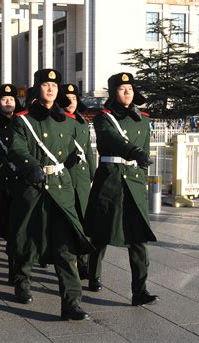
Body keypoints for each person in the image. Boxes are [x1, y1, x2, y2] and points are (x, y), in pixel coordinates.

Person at [7, 69, 94, 320]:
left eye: (54, 86)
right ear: (37, 89)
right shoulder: (22, 120)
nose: (51, 89)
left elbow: (69, 151)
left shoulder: (67, 121)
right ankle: (22, 282)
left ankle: (72, 303)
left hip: (60, 187)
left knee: (66, 247)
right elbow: (16, 147)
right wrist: (31, 165)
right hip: (33, 187)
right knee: (27, 240)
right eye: (46, 85)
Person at [84, 72, 159, 306]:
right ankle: (93, 275)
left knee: (139, 239)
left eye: (130, 88)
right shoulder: (103, 117)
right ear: (114, 92)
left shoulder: (143, 118)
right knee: (101, 234)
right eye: (121, 88)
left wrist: (142, 178)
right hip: (112, 180)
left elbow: (144, 148)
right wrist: (133, 152)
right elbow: (113, 139)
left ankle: (140, 290)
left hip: (134, 182)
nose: (127, 92)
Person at [0, 83, 24, 284]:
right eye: (4, 99)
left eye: (12, 99)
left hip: (18, 182)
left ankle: (15, 272)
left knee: (16, 230)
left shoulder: (23, 122)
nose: (9, 102)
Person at [60, 83, 96, 280]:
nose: (72, 102)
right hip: (65, 175)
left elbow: (88, 150)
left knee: (83, 220)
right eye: (68, 98)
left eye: (74, 98)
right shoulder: (58, 121)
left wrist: (92, 173)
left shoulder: (82, 121)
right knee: (67, 222)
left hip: (81, 178)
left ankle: (83, 262)